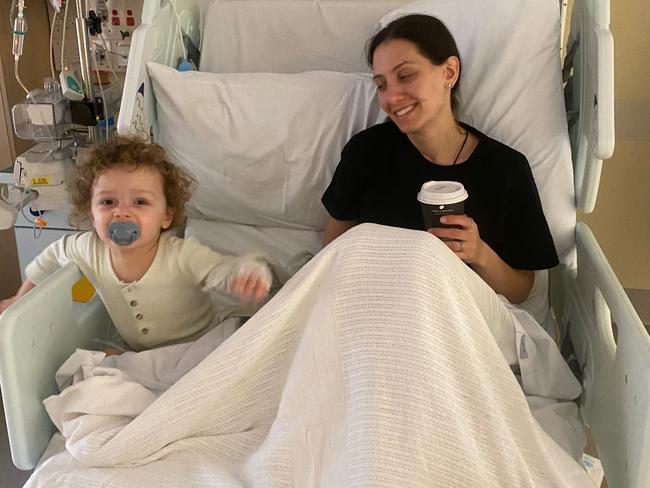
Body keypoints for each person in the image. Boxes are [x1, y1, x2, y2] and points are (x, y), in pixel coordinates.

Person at [321, 14, 558, 305]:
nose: (391, 97)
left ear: (449, 72)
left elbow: (520, 291)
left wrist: (479, 253)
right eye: (381, 85)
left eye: (406, 76)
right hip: (373, 307)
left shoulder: (505, 170)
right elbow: (331, 256)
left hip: (458, 316)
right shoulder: (367, 152)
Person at [0, 137, 273, 352]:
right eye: (108, 202)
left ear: (166, 216)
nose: (121, 212)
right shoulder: (87, 249)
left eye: (140, 202)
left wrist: (247, 273)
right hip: (141, 354)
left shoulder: (181, 255)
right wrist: (19, 298)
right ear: (92, 216)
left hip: (197, 349)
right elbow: (48, 259)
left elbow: (222, 270)